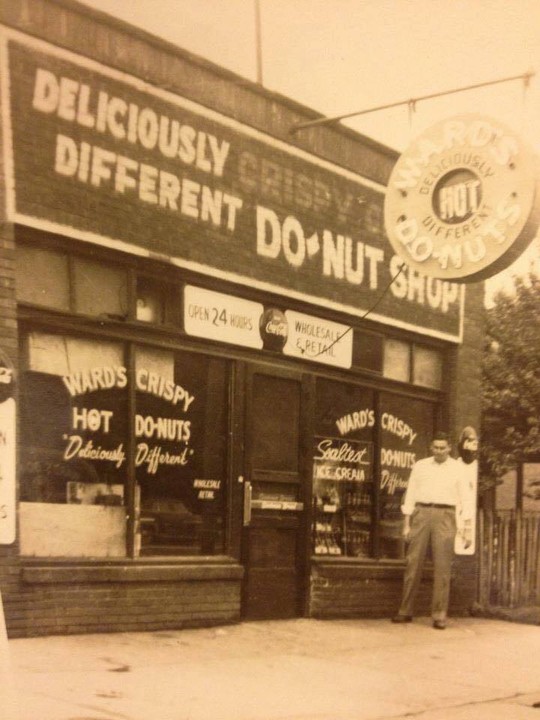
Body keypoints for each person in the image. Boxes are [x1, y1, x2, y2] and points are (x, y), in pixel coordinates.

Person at [391, 431, 472, 629]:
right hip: (421, 512)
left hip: (446, 515)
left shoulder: (457, 469)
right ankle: (405, 610)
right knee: (413, 562)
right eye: (435, 447)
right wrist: (407, 522)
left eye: (442, 448)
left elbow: (466, 499)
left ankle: (439, 614)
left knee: (442, 566)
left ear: (449, 448)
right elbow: (410, 493)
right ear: (431, 447)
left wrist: (467, 527)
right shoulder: (421, 466)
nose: (439, 451)